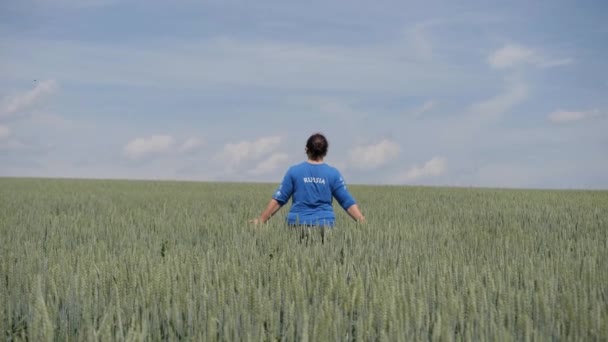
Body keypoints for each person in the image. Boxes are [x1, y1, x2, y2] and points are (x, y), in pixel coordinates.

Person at [251, 133, 365, 227]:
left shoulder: (294, 171)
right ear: (325, 152)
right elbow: (347, 202)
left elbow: (279, 199)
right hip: (324, 226)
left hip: (296, 225)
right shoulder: (333, 174)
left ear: (306, 150)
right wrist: (363, 222)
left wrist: (261, 220)